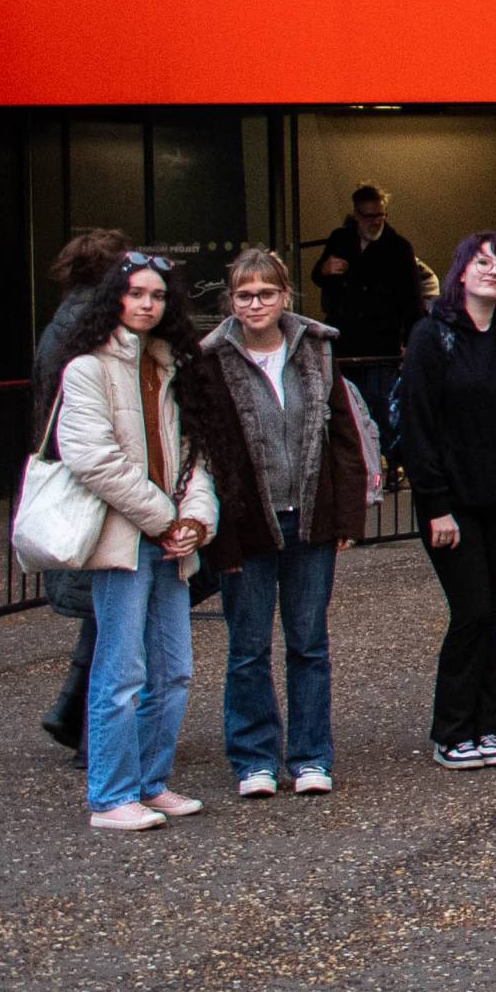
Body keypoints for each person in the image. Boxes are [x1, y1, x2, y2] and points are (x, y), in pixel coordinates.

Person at [180, 249, 375, 800]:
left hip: (310, 517)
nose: (256, 304)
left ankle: (311, 755)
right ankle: (254, 758)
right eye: (245, 295)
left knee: (309, 642)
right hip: (246, 522)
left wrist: (346, 516)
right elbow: (206, 447)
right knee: (247, 646)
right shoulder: (211, 359)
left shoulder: (317, 350)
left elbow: (342, 437)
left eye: (266, 293)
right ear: (231, 301)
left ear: (285, 296)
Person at [51, 254, 216, 831]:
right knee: (121, 672)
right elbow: (92, 459)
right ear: (114, 299)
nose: (147, 304)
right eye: (136, 293)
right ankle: (111, 796)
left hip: (167, 538)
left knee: (173, 671)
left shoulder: (171, 364)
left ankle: (150, 783)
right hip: (123, 539)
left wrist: (195, 521)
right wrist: (165, 518)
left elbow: (197, 455)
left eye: (158, 296)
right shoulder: (87, 369)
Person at [397, 234, 496, 770]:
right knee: (472, 610)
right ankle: (452, 729)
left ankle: (487, 727)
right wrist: (434, 503)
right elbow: (418, 426)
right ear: (460, 271)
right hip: (451, 504)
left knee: (489, 612)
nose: (492, 272)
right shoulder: (432, 336)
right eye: (482, 263)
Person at [30, 227, 132, 755]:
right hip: (97, 481)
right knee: (114, 612)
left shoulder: (60, 322)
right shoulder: (93, 327)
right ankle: (94, 735)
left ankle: (72, 712)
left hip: (77, 474)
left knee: (104, 614)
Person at [312, 185, 433, 430]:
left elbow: (413, 302)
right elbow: (317, 275)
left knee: (379, 413)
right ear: (356, 215)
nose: (375, 222)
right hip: (343, 343)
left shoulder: (398, 247)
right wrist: (325, 270)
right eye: (369, 216)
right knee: (343, 412)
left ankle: (382, 465)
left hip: (381, 346)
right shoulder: (340, 239)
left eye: (380, 215)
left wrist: (412, 344)